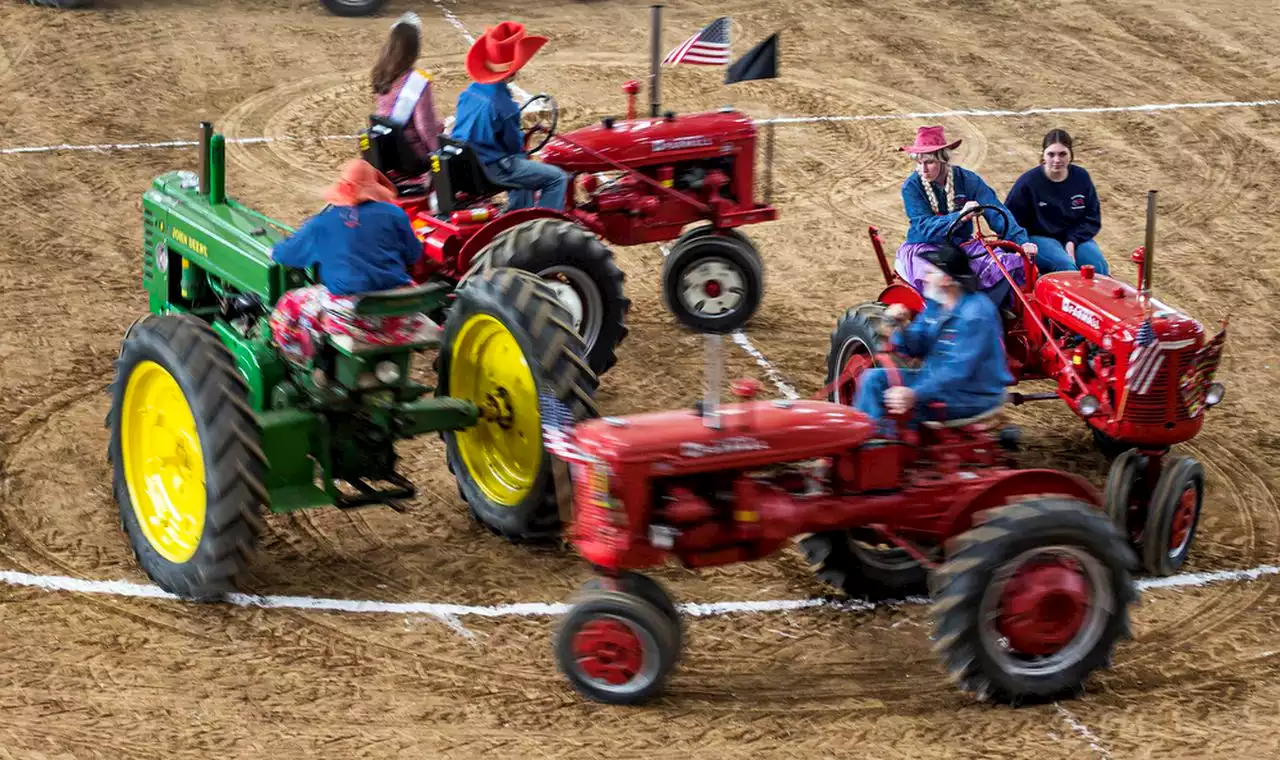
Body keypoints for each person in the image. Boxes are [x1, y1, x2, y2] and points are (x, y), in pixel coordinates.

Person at [268, 159, 434, 365]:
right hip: (397, 313)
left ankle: (302, 361)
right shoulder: (396, 215)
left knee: (290, 301)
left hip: (354, 317)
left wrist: (274, 251)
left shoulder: (324, 222)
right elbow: (413, 254)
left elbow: (289, 255)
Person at [856, 243, 1013, 435]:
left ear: (946, 279)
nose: (924, 277)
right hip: (940, 384)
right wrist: (900, 326)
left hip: (972, 395)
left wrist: (914, 393)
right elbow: (915, 346)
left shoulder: (976, 314)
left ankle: (882, 452)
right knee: (873, 379)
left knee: (902, 409)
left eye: (930, 272)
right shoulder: (936, 304)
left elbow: (955, 371)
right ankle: (869, 443)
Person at [894, 125, 1037, 311]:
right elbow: (924, 227)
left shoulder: (969, 180)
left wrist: (1021, 242)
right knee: (941, 281)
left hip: (963, 246)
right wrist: (959, 217)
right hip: (925, 247)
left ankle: (992, 314)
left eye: (929, 162)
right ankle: (948, 325)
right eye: (919, 163)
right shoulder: (911, 187)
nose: (923, 169)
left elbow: (996, 212)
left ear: (943, 159)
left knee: (1009, 266)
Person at [450, 21, 569, 211]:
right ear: (513, 70)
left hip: (466, 164)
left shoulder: (467, 94)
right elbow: (514, 146)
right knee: (557, 178)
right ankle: (544, 224)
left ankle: (519, 210)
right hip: (491, 169)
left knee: (519, 165)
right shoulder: (505, 106)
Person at [1004, 128, 1108, 275]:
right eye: (1051, 154)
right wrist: (1021, 245)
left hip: (1075, 237)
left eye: (1062, 154)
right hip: (1039, 237)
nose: (1057, 160)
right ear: (1043, 155)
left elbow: (1092, 218)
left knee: (1098, 268)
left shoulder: (1081, 178)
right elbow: (1010, 220)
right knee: (1066, 268)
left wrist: (1072, 241)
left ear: (1071, 154)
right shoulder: (1028, 183)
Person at [371, 11, 443, 173]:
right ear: (413, 50)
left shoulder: (381, 73)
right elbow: (425, 127)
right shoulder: (417, 82)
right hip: (411, 155)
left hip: (386, 150)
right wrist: (439, 154)